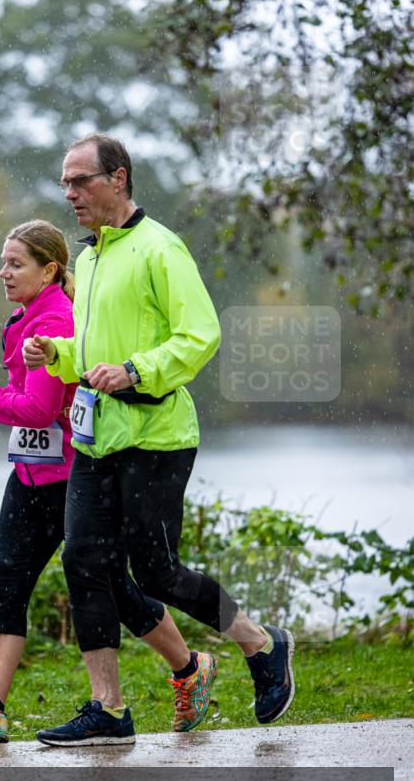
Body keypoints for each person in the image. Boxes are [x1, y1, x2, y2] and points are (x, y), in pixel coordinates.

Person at [23, 134, 295, 747]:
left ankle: (261, 643)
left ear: (118, 179)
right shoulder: (88, 259)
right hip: (96, 440)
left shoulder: (159, 247)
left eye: (80, 181)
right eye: (65, 183)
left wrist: (137, 372)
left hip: (156, 436)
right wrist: (60, 353)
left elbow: (200, 334)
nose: (70, 194)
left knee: (158, 572)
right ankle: (107, 709)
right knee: (85, 561)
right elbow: (96, 351)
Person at [0, 219, 215, 744]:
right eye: (3, 261)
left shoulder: (58, 317)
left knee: (115, 586)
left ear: (50, 270)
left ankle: (189, 667)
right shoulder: (24, 317)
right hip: (31, 470)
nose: (4, 273)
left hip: (73, 469)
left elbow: (40, 409)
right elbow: (30, 393)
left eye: (16, 263)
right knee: (7, 577)